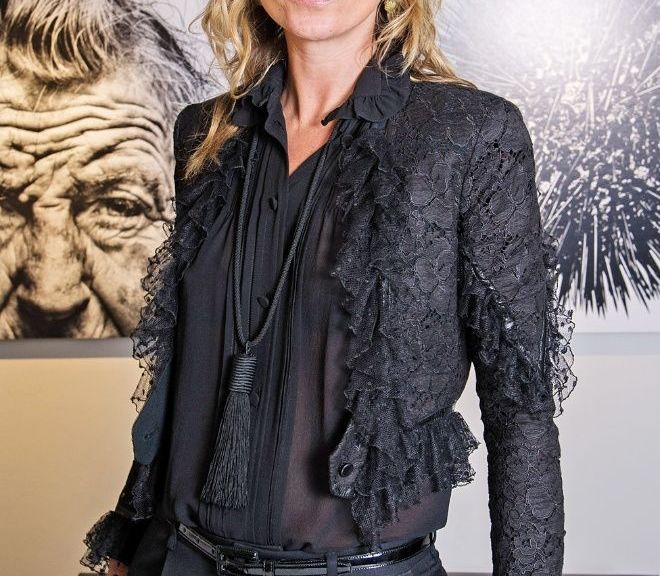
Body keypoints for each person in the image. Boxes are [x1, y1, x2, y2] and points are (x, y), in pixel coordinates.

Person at [81, 0, 578, 575]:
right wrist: (127, 542)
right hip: (176, 557)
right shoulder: (206, 134)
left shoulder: (468, 136)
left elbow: (520, 408)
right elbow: (182, 373)